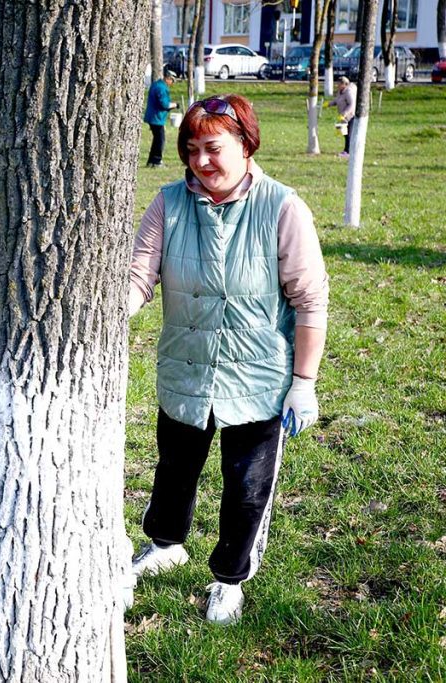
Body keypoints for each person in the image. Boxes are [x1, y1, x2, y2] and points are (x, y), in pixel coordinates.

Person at [127, 95, 329, 626]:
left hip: (258, 380)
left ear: (246, 144)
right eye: (191, 150)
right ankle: (166, 544)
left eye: (213, 148)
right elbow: (136, 276)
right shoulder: (169, 203)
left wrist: (303, 382)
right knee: (174, 471)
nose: (201, 161)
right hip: (186, 371)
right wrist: (107, 317)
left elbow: (309, 302)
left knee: (246, 489)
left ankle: (229, 579)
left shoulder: (283, 207)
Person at [144, 69, 179, 167]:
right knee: (160, 140)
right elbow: (164, 104)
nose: (172, 83)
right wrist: (175, 105)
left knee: (157, 139)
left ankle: (151, 161)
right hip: (156, 118)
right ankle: (157, 161)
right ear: (168, 78)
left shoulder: (156, 84)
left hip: (154, 117)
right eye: (172, 80)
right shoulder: (161, 88)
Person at [327, 76, 357, 158]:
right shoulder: (340, 92)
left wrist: (344, 113)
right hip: (343, 117)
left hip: (350, 116)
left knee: (348, 134)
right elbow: (337, 100)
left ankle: (348, 152)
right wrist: (328, 104)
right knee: (344, 133)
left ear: (344, 84)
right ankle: (346, 150)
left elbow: (352, 104)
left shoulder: (348, 92)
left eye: (339, 84)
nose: (337, 85)